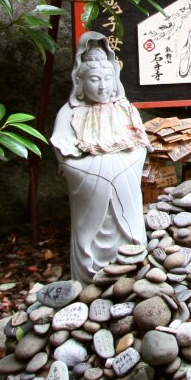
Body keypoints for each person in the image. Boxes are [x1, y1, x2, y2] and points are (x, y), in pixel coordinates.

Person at [50, 32, 149, 283]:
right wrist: (91, 168)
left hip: (123, 171)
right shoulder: (69, 112)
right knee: (92, 219)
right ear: (80, 83)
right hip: (88, 176)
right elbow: (62, 150)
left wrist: (122, 164)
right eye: (94, 79)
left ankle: (132, 263)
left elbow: (140, 145)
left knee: (128, 218)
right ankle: (88, 273)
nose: (103, 86)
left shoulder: (124, 108)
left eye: (107, 78)